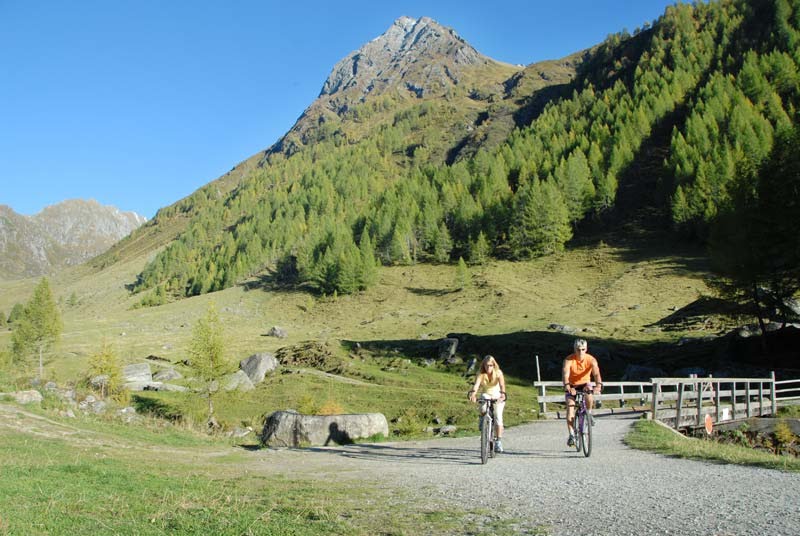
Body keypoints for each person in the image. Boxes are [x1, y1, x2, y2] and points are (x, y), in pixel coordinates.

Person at [562, 338, 602, 447]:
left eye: (583, 349)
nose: (581, 352)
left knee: (589, 393)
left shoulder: (591, 360)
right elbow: (565, 374)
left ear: (586, 349)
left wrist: (598, 385)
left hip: (585, 383)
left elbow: (596, 374)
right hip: (572, 385)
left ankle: (588, 413)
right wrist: (568, 386)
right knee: (570, 406)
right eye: (578, 349)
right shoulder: (568, 360)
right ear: (574, 349)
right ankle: (571, 435)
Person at [468, 355, 507, 452]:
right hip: (486, 394)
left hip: (497, 395)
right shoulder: (481, 373)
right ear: (483, 365)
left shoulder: (498, 373)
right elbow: (476, 385)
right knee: (483, 405)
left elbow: (502, 385)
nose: (488, 367)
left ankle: (498, 441)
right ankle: (483, 419)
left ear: (494, 365)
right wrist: (473, 394)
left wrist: (502, 395)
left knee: (498, 417)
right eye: (486, 365)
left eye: (490, 365)